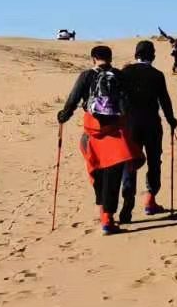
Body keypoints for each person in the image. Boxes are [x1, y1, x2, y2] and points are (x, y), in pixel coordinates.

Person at [58, 45, 142, 235]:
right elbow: (130, 102)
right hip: (117, 133)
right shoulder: (119, 76)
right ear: (110, 58)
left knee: (97, 173)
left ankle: (102, 213)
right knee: (113, 176)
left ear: (93, 59)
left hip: (92, 132)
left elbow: (73, 99)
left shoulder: (86, 76)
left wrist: (63, 116)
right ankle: (107, 219)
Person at [120, 40, 177, 222]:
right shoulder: (157, 75)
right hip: (152, 124)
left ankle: (128, 203)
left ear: (136, 54)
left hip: (129, 124)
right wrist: (171, 120)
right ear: (152, 55)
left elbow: (119, 98)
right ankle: (150, 200)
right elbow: (164, 100)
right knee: (154, 161)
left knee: (130, 162)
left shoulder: (125, 73)